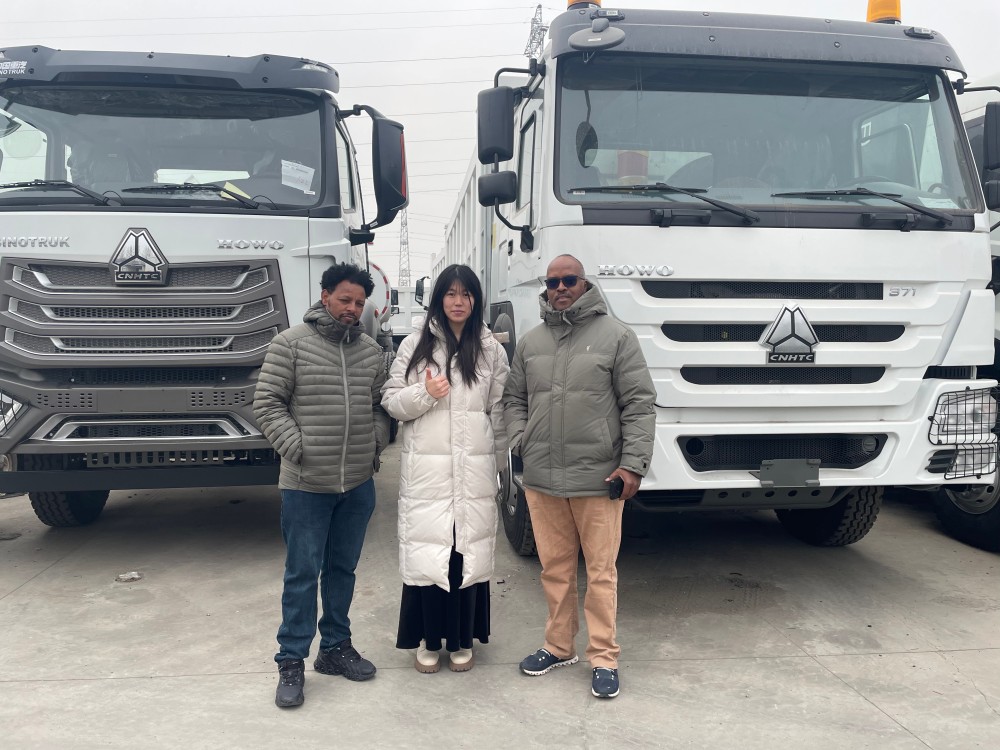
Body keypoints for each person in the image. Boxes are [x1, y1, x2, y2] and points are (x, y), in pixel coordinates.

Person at [503, 254, 655, 699]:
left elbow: (639, 404)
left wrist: (633, 464)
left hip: (598, 479)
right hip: (543, 479)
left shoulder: (617, 337)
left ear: (584, 283)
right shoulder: (530, 343)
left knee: (601, 573)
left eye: (569, 279)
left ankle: (604, 656)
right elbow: (514, 399)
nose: (560, 287)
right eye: (552, 281)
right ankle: (558, 645)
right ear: (545, 288)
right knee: (555, 569)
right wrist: (520, 440)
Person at [253, 262, 390, 709]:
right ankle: (291, 660)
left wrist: (374, 445)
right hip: (305, 485)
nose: (352, 309)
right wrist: (300, 449)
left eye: (359, 302)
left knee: (342, 571)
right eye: (345, 299)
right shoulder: (290, 345)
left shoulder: (370, 351)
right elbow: (267, 404)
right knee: (301, 575)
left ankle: (334, 648)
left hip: (356, 484)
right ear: (325, 295)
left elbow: (379, 407)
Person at [381, 264, 509, 674]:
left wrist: (506, 464)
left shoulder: (490, 349)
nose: (458, 302)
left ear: (476, 300)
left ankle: (461, 640)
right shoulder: (415, 345)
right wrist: (425, 393)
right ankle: (429, 640)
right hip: (428, 471)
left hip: (473, 467)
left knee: (464, 549)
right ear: (438, 298)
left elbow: (501, 409)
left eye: (466, 294)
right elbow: (392, 401)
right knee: (429, 551)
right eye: (451, 294)